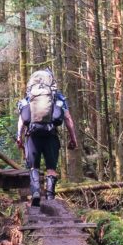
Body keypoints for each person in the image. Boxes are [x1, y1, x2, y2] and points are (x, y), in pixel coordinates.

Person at [16, 67, 78, 207]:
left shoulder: (29, 96)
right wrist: (73, 138)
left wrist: (19, 137)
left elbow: (22, 119)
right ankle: (50, 197)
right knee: (51, 168)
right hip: (51, 135)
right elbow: (68, 119)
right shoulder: (57, 97)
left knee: (33, 167)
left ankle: (36, 193)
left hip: (32, 135)